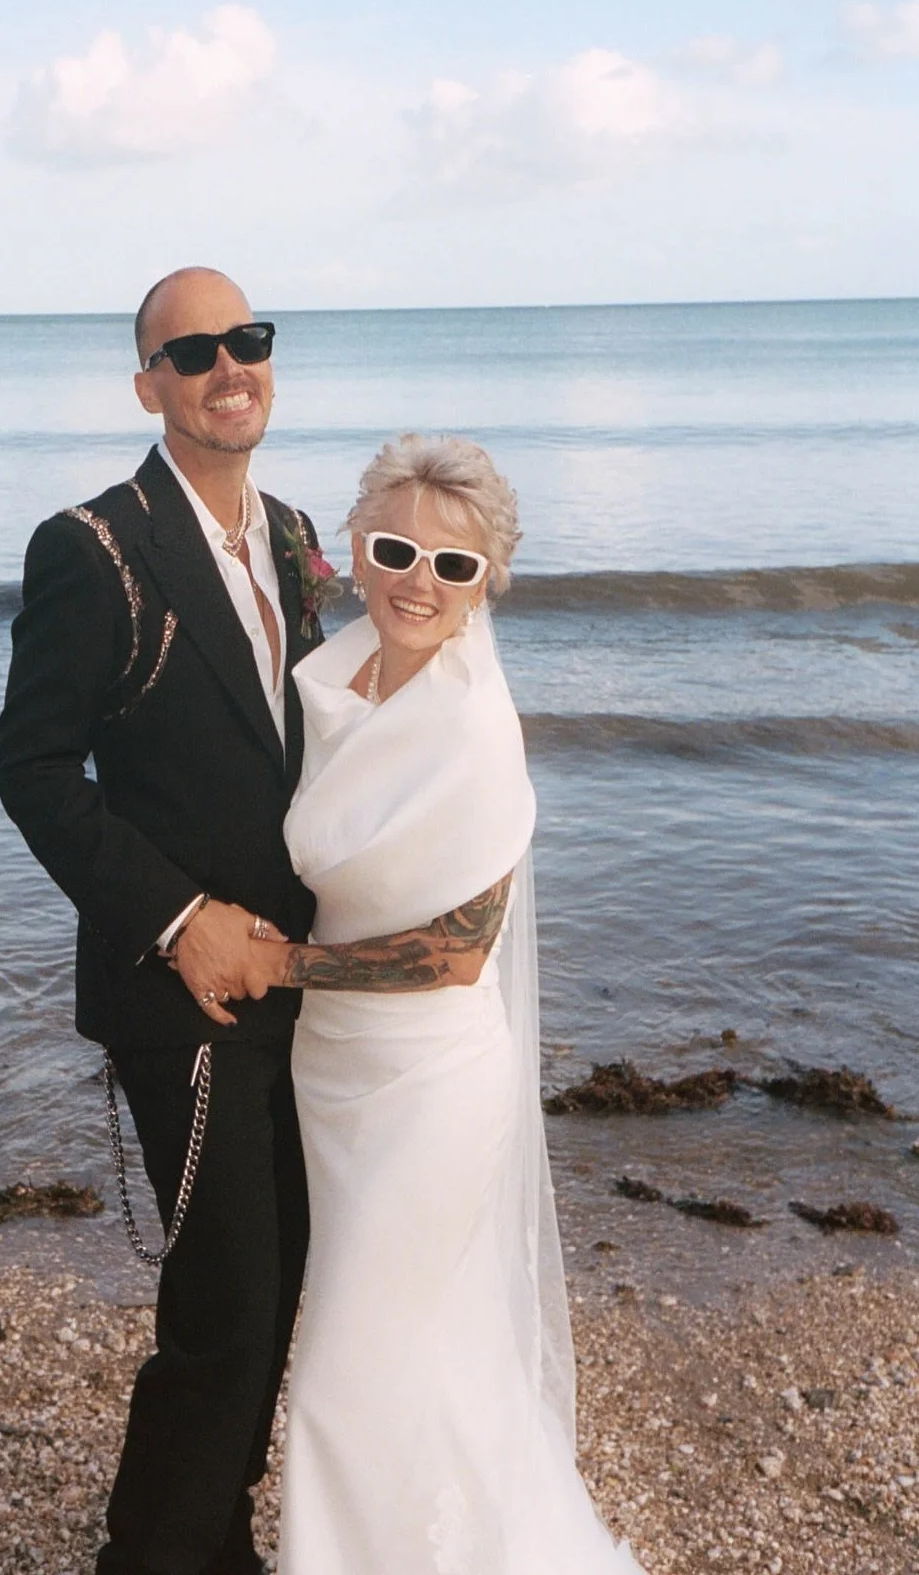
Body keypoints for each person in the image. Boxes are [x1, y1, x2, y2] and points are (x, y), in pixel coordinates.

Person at [237, 434, 644, 1574]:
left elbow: (455, 956)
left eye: (455, 566)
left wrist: (279, 967)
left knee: (347, 1365)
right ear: (354, 555)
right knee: (427, 1349)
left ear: (486, 586)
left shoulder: (473, 731)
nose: (421, 581)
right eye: (398, 549)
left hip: (430, 1084)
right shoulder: (332, 673)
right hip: (334, 1076)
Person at [0, 267, 329, 1575]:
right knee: (227, 1308)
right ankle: (153, 1552)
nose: (228, 368)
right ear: (151, 386)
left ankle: (211, 1531)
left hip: (303, 978)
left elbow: (312, 747)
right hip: (178, 990)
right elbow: (33, 773)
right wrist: (181, 919)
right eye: (194, 352)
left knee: (290, 1276)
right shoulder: (92, 546)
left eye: (248, 341)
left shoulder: (296, 540)